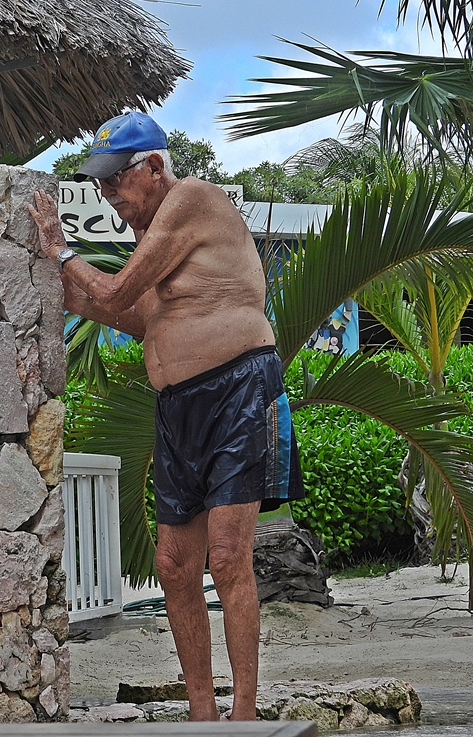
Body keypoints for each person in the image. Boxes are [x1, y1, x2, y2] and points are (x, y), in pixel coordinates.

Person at [28, 111, 304, 722]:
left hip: (239, 392)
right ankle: (203, 714)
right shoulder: (158, 242)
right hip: (179, 409)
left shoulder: (194, 200)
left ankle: (246, 715)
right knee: (175, 565)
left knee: (228, 555)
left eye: (115, 182)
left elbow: (113, 293)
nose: (109, 198)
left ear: (154, 167)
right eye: (99, 186)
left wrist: (60, 250)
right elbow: (136, 315)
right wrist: (63, 284)